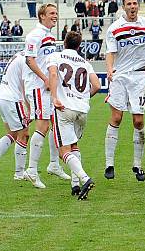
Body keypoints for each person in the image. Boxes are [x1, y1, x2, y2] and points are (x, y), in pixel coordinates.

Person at [103, 0, 145, 181]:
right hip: (120, 76)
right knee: (116, 117)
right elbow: (110, 53)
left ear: (138, 6)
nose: (132, 6)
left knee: (138, 121)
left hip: (139, 76)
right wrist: (110, 70)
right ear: (123, 7)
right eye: (128, 4)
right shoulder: (114, 28)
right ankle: (109, 164)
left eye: (135, 3)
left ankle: (138, 165)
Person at [22, 3, 70, 189]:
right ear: (42, 16)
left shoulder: (49, 36)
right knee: (42, 125)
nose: (55, 16)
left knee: (52, 123)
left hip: (47, 87)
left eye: (56, 13)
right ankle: (31, 170)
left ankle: (53, 164)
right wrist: (45, 79)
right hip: (37, 87)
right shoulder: (35, 35)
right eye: (51, 13)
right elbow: (29, 59)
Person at [48, 31, 101, 199]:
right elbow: (97, 85)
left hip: (64, 108)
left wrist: (55, 97)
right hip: (81, 109)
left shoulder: (56, 56)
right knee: (74, 146)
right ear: (79, 46)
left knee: (63, 150)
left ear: (64, 43)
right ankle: (75, 185)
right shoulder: (86, 63)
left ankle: (84, 178)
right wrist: (84, 98)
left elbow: (54, 74)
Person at [0, 51, 30, 181]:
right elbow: (25, 85)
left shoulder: (18, 55)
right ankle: (19, 174)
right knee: (24, 134)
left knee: (13, 134)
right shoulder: (27, 60)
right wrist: (29, 108)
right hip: (12, 99)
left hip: (2, 97)